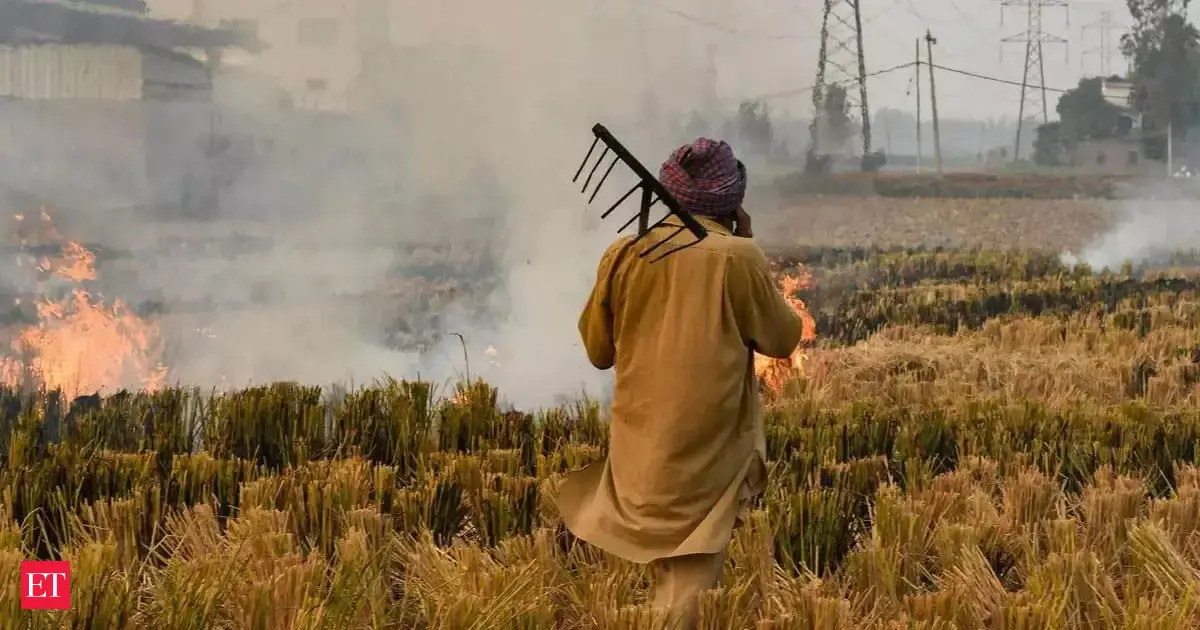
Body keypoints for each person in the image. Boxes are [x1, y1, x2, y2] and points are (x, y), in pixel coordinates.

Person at [556, 138, 804, 627]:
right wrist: (748, 243)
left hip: (640, 445)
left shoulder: (624, 254)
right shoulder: (737, 257)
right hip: (709, 450)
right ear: (732, 204)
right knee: (688, 579)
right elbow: (781, 338)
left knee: (668, 566)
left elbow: (598, 352)